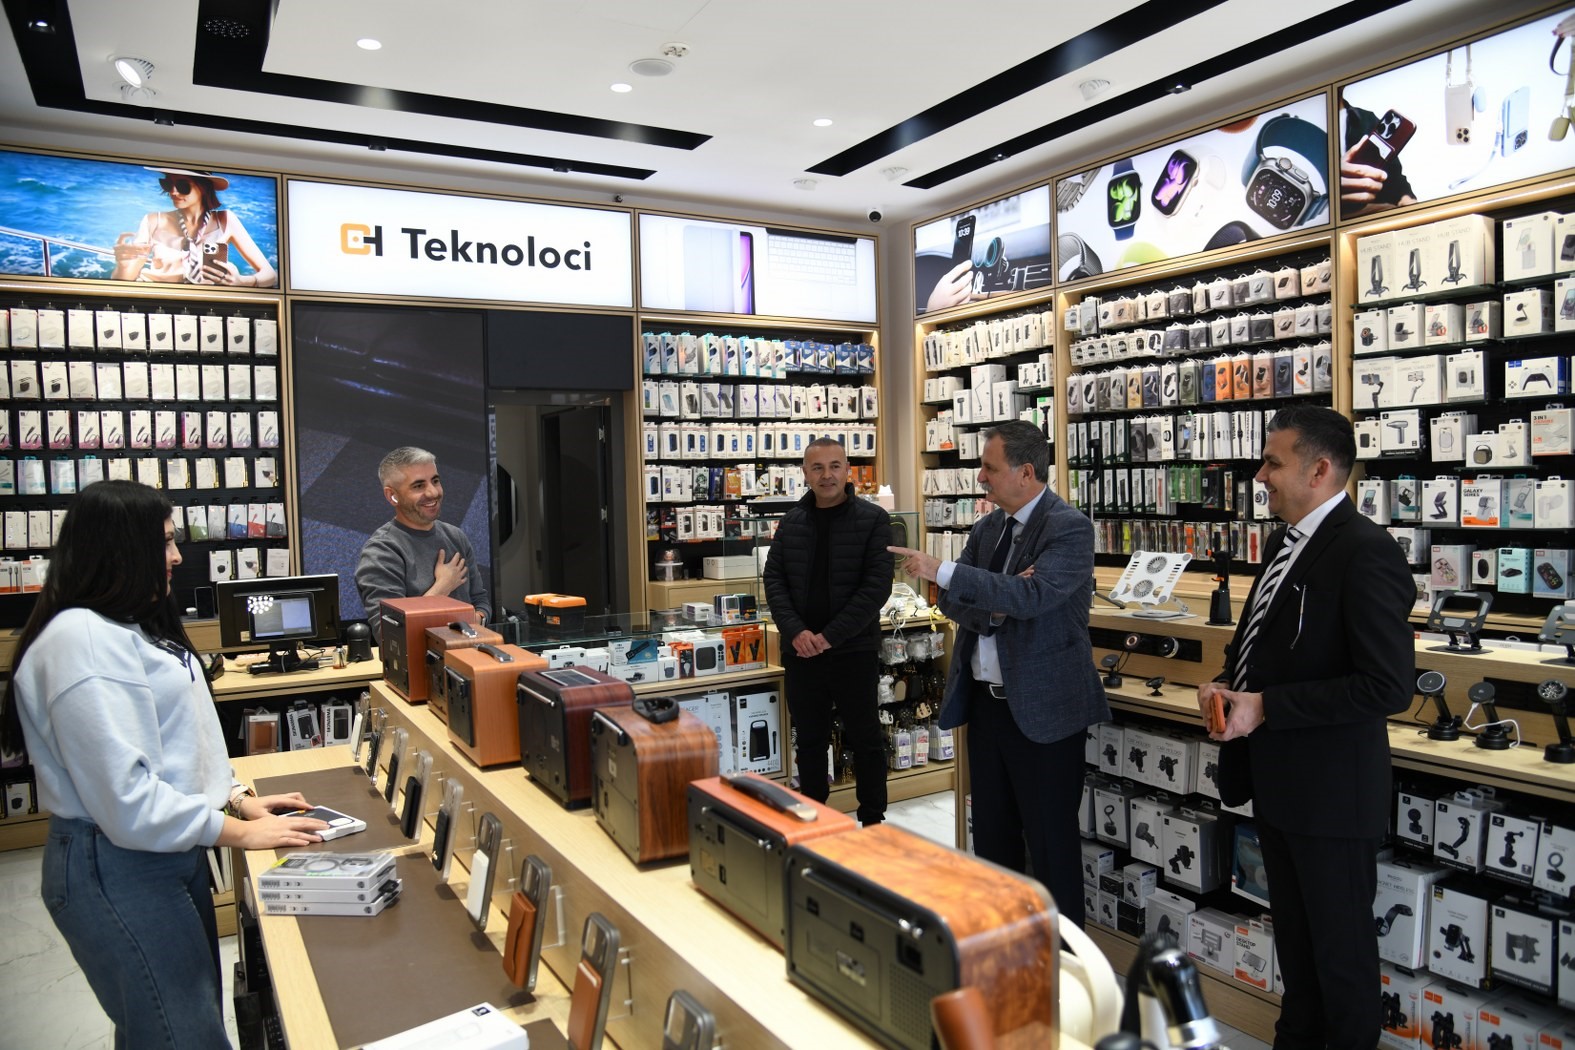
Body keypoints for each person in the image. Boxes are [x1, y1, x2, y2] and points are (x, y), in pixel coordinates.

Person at [0, 480, 328, 1047]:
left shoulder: (127, 624)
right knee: (181, 1036)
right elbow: (127, 800)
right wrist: (240, 834)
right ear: (118, 550)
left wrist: (235, 799)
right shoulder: (81, 641)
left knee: (168, 1027)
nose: (177, 556)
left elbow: (178, 741)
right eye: (165, 543)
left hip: (158, 857)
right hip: (119, 866)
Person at [1197, 403, 1414, 1048]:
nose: (1259, 475)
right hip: (1280, 786)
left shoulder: (1365, 550)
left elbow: (1387, 686)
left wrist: (1267, 707)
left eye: (1273, 462)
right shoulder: (1284, 542)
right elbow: (1263, 642)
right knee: (1296, 949)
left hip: (1331, 798)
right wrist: (1227, 683)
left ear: (1319, 470)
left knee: (1341, 962)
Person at [889, 420, 1108, 926]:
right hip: (986, 710)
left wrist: (945, 571)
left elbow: (1032, 596)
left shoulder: (1069, 527)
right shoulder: (989, 529)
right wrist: (999, 601)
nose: (980, 477)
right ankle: (1002, 946)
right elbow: (955, 604)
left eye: (989, 467)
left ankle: (1063, 962)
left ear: (1026, 472)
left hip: (1045, 715)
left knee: (1051, 847)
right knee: (992, 840)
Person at [762, 438, 892, 826]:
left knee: (866, 738)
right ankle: (814, 818)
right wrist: (795, 632)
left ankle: (873, 822)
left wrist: (829, 636)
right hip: (801, 653)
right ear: (805, 473)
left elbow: (876, 588)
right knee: (810, 739)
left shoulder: (873, 520)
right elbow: (774, 580)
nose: (827, 475)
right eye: (817, 467)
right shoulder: (792, 522)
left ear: (848, 470)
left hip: (853, 650)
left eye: (835, 466)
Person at [356, 446, 491, 636]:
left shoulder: (456, 536)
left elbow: (481, 601)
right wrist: (442, 588)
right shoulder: (381, 551)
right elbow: (389, 633)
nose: (433, 492)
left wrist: (471, 623)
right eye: (418, 486)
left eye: (435, 481)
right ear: (392, 496)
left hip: (470, 650)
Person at [111, 166, 278, 287]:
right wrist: (123, 266)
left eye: (183, 186)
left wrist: (242, 281)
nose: (173, 192)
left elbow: (271, 275)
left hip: (204, 303)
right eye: (167, 184)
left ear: (203, 188)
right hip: (158, 298)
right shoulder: (153, 220)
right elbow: (124, 282)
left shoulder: (225, 220)